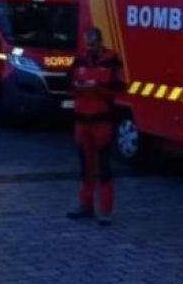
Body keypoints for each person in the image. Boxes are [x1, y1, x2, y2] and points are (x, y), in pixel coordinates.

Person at [66, 27, 126, 226]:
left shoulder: (112, 61)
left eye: (93, 44)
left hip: (102, 121)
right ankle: (85, 205)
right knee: (85, 167)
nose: (90, 48)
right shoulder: (80, 60)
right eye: (87, 44)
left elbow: (120, 88)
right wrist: (78, 88)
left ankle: (105, 211)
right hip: (82, 121)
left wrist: (97, 88)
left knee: (104, 167)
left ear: (100, 42)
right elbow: (68, 85)